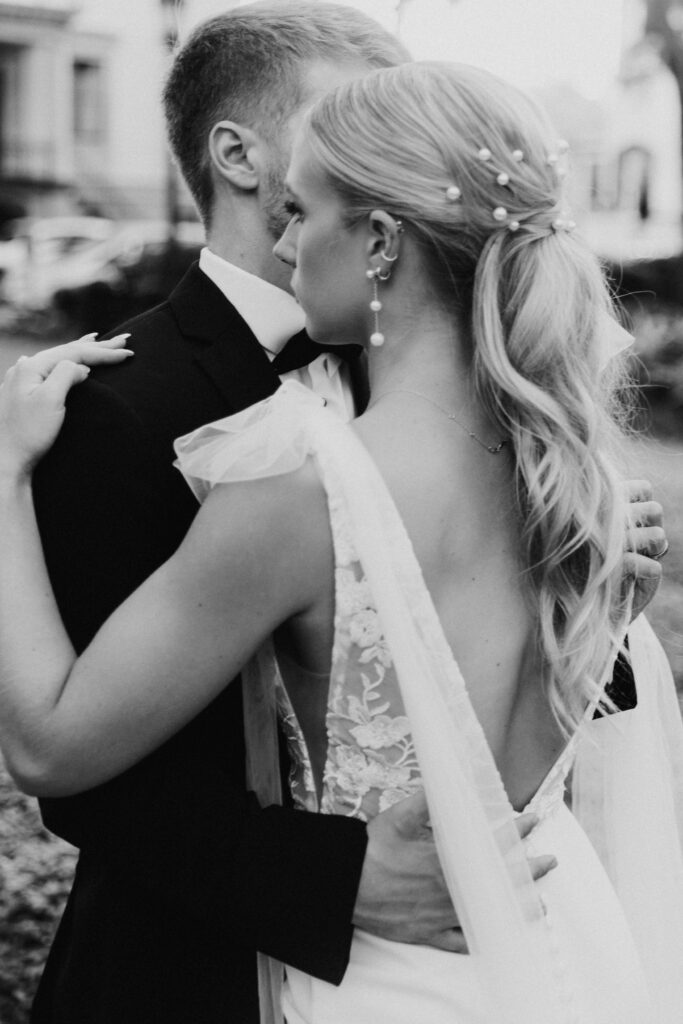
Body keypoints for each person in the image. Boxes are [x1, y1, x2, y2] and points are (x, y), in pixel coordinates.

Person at [0, 60, 681, 1024]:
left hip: (388, 982)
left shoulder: (297, 492)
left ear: (380, 243)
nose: (282, 247)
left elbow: (47, 747)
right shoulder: (574, 478)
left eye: (300, 213)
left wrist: (3, 476)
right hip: (558, 944)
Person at [18, 7, 461, 1024]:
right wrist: (331, 881)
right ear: (239, 155)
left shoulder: (421, 366)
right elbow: (81, 768)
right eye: (347, 113)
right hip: (191, 969)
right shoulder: (112, 404)